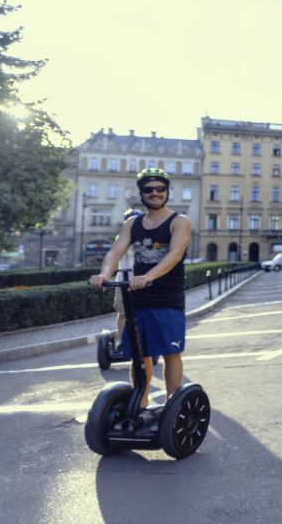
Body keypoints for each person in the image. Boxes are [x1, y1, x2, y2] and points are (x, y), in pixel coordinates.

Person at [89, 167, 191, 410]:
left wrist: (148, 276)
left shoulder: (179, 221)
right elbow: (115, 252)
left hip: (167, 296)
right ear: (141, 194)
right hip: (139, 297)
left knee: (170, 352)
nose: (154, 193)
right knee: (140, 354)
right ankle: (141, 403)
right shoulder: (133, 223)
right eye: (148, 190)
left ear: (167, 192)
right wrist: (104, 274)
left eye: (160, 189)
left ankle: (172, 404)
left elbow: (175, 255)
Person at [110, 208, 144, 350]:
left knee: (142, 312)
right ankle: (121, 341)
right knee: (123, 312)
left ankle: (142, 339)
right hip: (124, 279)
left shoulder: (145, 238)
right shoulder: (121, 238)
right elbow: (114, 256)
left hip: (142, 280)